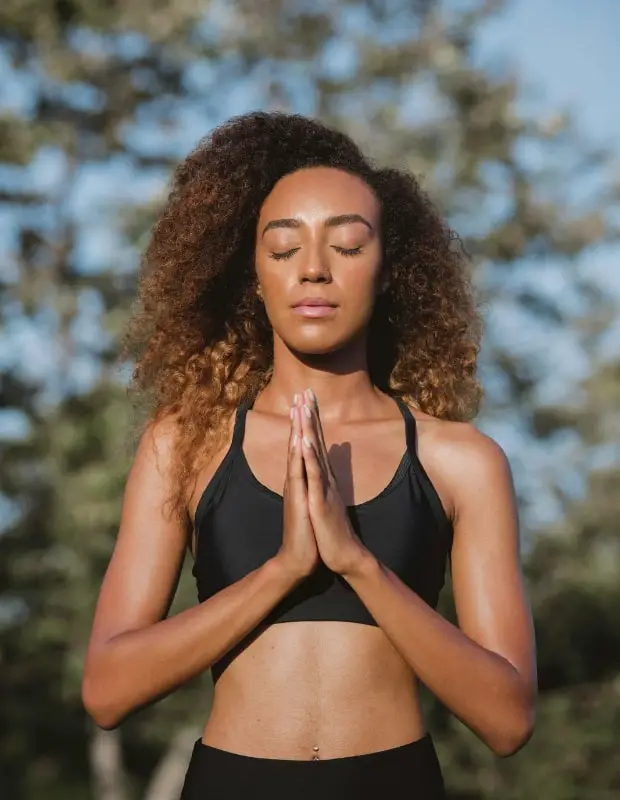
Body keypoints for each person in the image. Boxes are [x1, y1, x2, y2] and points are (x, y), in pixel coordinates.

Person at [82, 111, 537, 799]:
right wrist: (283, 570)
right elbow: (107, 690)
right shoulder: (186, 445)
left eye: (348, 247)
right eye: (285, 248)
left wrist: (357, 563)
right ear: (254, 275)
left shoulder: (461, 462)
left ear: (389, 270)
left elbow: (507, 721)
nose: (315, 270)